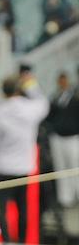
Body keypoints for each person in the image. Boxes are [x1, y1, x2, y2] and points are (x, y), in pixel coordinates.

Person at [0, 71, 49, 244]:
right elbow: (43, 103)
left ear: (2, 92)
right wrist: (31, 84)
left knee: (1, 206)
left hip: (3, 167)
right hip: (24, 167)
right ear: (19, 90)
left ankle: (6, 242)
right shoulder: (31, 109)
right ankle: (21, 243)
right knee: (23, 207)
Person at [46, 70, 79, 208]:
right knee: (61, 168)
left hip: (72, 137)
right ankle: (66, 198)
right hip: (58, 137)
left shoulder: (75, 97)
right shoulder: (55, 98)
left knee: (75, 167)